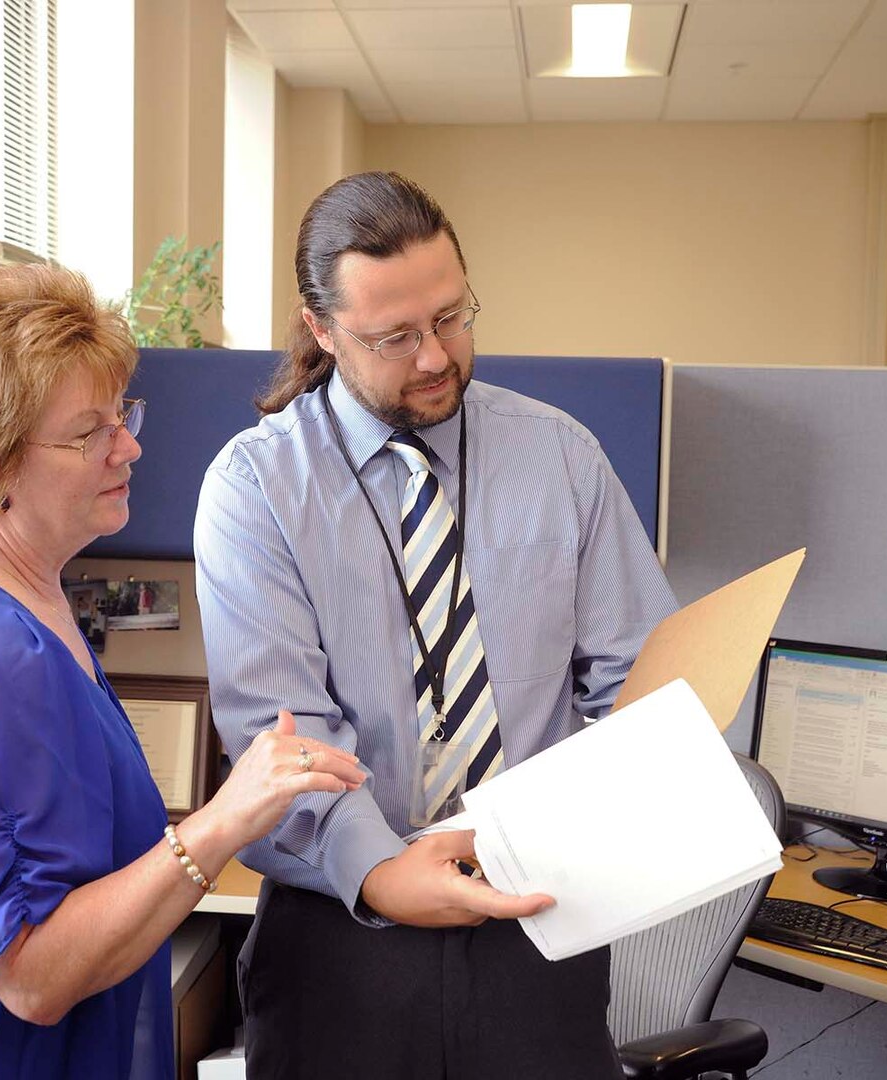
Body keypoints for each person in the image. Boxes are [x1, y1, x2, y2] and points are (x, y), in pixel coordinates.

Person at [0, 265, 365, 1078]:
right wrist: (222, 821)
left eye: (121, 414)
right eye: (86, 432)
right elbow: (32, 974)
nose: (128, 446)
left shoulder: (27, 603)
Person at [194, 171, 680, 1079]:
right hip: (341, 941)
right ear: (321, 328)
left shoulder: (560, 456)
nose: (435, 357)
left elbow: (639, 686)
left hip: (539, 918)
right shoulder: (256, 489)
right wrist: (383, 875)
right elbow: (283, 739)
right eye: (395, 336)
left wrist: (617, 811)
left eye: (452, 317)